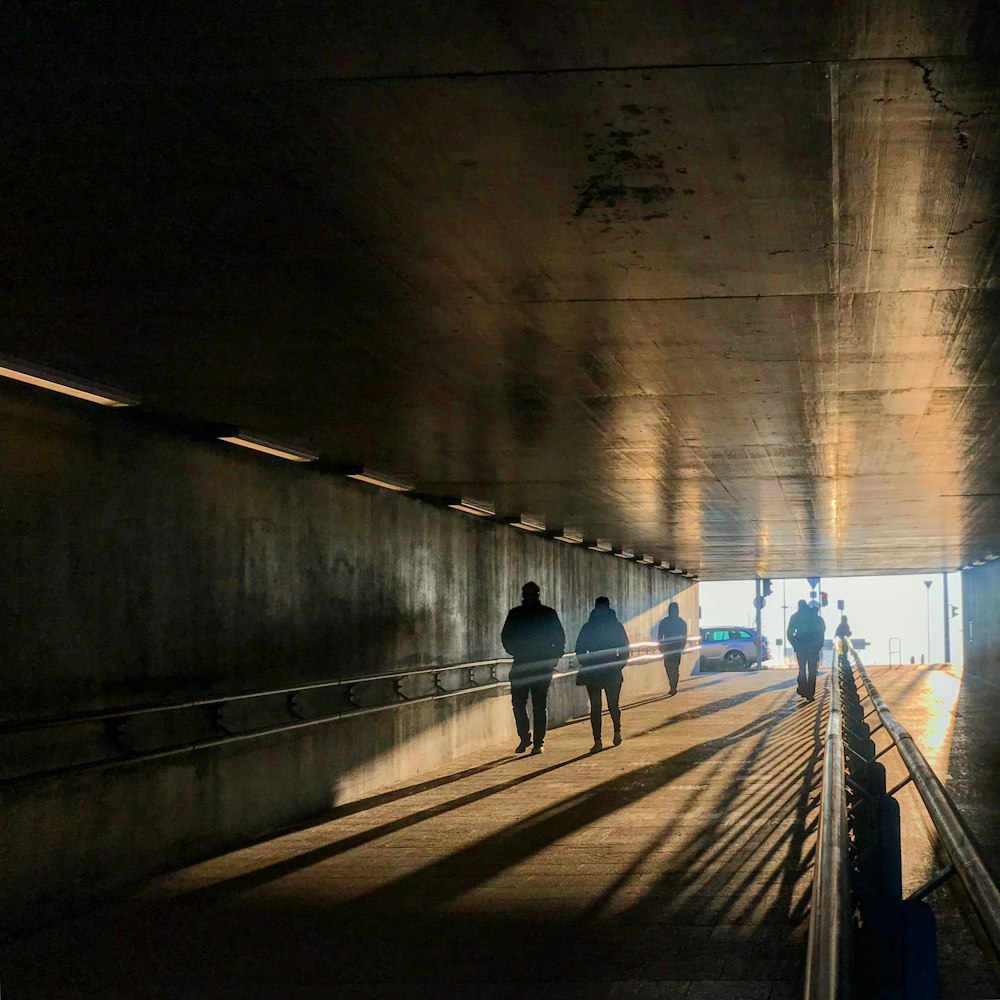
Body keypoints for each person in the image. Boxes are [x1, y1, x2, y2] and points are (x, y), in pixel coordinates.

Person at [500, 581, 565, 755]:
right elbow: (559, 639)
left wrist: (516, 651)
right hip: (538, 665)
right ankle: (532, 741)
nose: (529, 597)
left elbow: (506, 637)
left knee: (524, 704)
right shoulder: (547, 614)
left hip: (524, 663)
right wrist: (553, 659)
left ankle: (530, 740)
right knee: (532, 705)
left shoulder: (517, 614)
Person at [574, 596, 629, 753]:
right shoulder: (616, 626)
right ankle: (601, 738)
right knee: (603, 706)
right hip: (607, 670)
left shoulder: (589, 627)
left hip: (598, 670)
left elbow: (579, 648)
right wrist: (619, 664)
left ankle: (611, 734)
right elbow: (625, 648)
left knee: (605, 706)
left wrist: (586, 662)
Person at [787, 599, 825, 702]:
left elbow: (789, 634)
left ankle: (803, 689)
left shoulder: (795, 617)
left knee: (802, 669)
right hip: (813, 648)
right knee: (812, 671)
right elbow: (821, 632)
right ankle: (810, 694)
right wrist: (818, 646)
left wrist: (795, 644)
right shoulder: (816, 616)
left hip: (801, 647)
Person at [657, 601, 688, 697]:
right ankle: (673, 685)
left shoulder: (677, 622)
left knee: (672, 668)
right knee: (671, 668)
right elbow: (660, 636)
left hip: (673, 649)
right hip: (671, 648)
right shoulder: (678, 622)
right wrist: (661, 646)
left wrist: (681, 647)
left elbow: (684, 637)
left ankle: (673, 686)